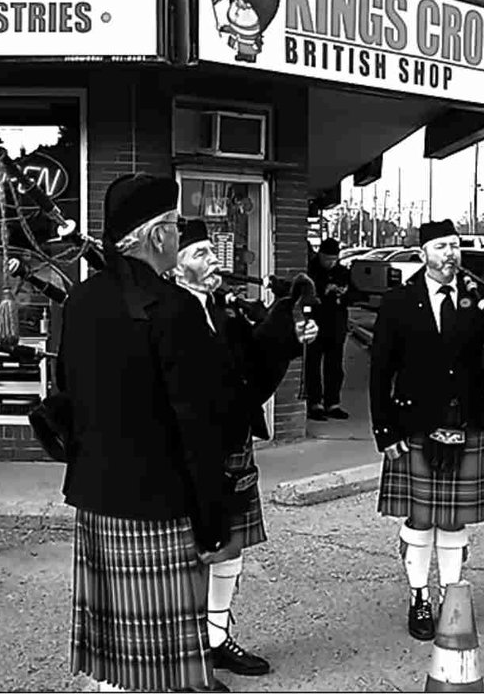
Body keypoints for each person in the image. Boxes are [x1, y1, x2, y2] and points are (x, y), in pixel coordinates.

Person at [56, 173, 237, 693]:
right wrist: (211, 520)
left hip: (96, 493)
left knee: (118, 660)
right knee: (153, 669)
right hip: (158, 502)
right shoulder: (176, 308)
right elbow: (195, 424)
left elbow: (67, 392)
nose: (180, 237)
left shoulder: (82, 299)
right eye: (176, 228)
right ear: (158, 237)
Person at [172, 219, 318, 678]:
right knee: (187, 555)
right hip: (189, 449)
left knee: (229, 549)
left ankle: (215, 640)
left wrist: (291, 337)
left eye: (210, 251)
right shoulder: (168, 313)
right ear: (173, 267)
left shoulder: (220, 307)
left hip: (230, 441)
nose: (212, 259)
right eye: (199, 254)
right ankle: (186, 652)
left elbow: (252, 363)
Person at [369, 219, 484, 641]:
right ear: (422, 252)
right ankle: (419, 596)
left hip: (463, 422)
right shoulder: (399, 302)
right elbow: (380, 370)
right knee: (421, 517)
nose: (450, 255)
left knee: (454, 522)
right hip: (415, 423)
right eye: (442, 246)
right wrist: (385, 430)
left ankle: (451, 597)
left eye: (455, 247)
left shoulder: (476, 303)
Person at [305, 238, 353, 421]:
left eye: (334, 259)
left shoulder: (343, 272)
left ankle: (333, 403)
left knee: (334, 366)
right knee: (313, 364)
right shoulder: (311, 270)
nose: (331, 263)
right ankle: (314, 402)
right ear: (321, 256)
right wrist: (323, 290)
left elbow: (355, 294)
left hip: (336, 323)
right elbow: (305, 293)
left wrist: (343, 293)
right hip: (316, 322)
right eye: (327, 259)